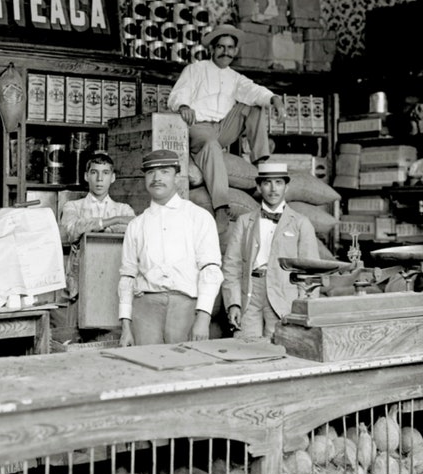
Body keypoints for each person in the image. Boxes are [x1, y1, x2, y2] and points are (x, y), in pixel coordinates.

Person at [167, 24, 287, 232]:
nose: (226, 52)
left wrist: (275, 99)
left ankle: (261, 162)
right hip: (197, 127)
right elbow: (178, 94)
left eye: (230, 48)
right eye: (221, 47)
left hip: (223, 129)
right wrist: (183, 106)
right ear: (212, 49)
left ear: (236, 51)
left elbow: (254, 91)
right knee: (212, 146)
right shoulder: (196, 69)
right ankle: (221, 206)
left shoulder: (235, 78)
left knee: (254, 105)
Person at [118, 149, 223, 347]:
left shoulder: (198, 217)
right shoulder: (136, 225)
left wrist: (203, 319)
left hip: (186, 308)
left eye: (164, 171)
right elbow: (127, 277)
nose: (156, 178)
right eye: (150, 172)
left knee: (186, 371)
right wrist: (126, 327)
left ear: (177, 176)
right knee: (145, 370)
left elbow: (211, 270)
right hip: (145, 312)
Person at [222, 160, 318, 340]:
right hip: (249, 293)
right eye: (267, 183)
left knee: (281, 347)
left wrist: (305, 308)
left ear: (286, 187)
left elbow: (310, 271)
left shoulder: (300, 223)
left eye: (279, 182)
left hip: (284, 294)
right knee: (244, 349)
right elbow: (231, 265)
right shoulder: (244, 221)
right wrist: (233, 303)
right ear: (258, 187)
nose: (273, 189)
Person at [59, 152, 135, 304]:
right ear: (86, 176)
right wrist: (114, 221)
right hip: (78, 287)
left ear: (112, 178)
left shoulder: (124, 209)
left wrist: (93, 228)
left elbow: (134, 231)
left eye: (105, 173)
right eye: (94, 172)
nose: (100, 179)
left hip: (113, 284)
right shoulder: (72, 206)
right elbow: (72, 231)